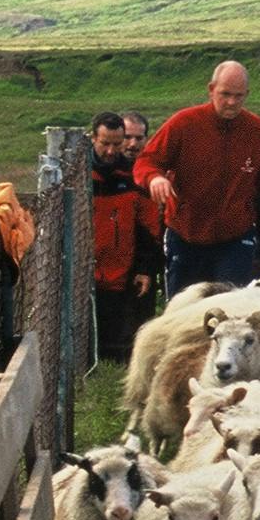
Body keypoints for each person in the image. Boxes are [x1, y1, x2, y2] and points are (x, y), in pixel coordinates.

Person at [135, 60, 260, 297]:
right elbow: (146, 161)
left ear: (247, 94)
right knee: (182, 311)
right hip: (186, 234)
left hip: (235, 237)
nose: (231, 102)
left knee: (232, 307)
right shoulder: (183, 123)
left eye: (239, 96)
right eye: (225, 94)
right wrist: (155, 178)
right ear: (211, 89)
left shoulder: (255, 129)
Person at [88, 110, 165, 360]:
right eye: (105, 144)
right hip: (87, 271)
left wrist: (145, 268)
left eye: (116, 144)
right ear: (93, 139)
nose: (111, 151)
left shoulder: (134, 177)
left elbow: (149, 227)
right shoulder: (80, 177)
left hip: (123, 272)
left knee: (123, 337)